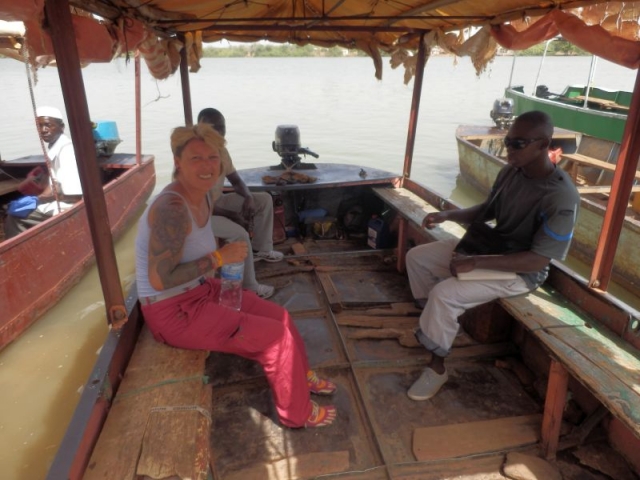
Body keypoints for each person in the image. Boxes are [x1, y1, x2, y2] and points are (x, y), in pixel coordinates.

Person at [135, 123, 337, 428]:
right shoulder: (171, 208)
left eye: (213, 158)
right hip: (172, 312)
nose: (207, 167)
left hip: (199, 290)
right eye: (196, 159)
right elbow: (159, 281)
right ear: (177, 162)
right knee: (275, 339)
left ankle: (300, 374)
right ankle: (296, 414)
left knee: (281, 316)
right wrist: (219, 257)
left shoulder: (201, 195)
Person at [406, 110, 580, 401]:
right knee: (417, 259)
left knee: (444, 294)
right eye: (508, 141)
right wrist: (448, 214)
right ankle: (435, 333)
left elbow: (537, 260)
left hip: (522, 271)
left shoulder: (561, 197)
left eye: (518, 144)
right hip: (491, 248)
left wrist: (476, 263)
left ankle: (437, 368)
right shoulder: (511, 170)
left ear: (543, 144)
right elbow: (487, 210)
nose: (508, 149)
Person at [197, 107, 283, 299]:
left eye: (222, 127)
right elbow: (201, 205)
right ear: (201, 128)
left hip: (216, 204)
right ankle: (250, 287)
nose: (220, 131)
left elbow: (236, 181)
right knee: (240, 234)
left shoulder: (221, 151)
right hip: (198, 216)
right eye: (214, 127)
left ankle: (262, 249)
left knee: (264, 199)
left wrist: (248, 197)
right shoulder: (196, 157)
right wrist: (233, 215)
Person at [4, 106, 82, 238]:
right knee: (15, 207)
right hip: (57, 198)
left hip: (66, 205)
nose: (43, 130)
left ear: (61, 127)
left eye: (48, 125)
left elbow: (75, 196)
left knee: (13, 217)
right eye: (39, 126)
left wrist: (40, 199)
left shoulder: (66, 150)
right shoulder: (56, 145)